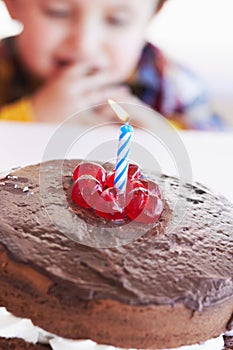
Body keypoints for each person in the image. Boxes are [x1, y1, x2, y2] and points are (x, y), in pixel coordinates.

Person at [0, 0, 225, 129]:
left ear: (150, 16)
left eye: (117, 20)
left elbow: (217, 155)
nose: (84, 45)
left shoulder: (176, 84)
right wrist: (30, 117)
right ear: (13, 5)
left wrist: (161, 135)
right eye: (58, 12)